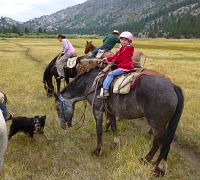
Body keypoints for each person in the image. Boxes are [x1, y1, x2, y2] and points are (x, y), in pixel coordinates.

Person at [98, 31, 134, 98]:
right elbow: (115, 55)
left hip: (125, 67)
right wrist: (107, 58)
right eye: (122, 39)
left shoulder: (127, 48)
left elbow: (119, 58)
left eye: (126, 40)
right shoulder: (123, 48)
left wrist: (113, 61)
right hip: (124, 65)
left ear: (129, 41)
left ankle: (105, 90)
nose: (123, 41)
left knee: (110, 74)